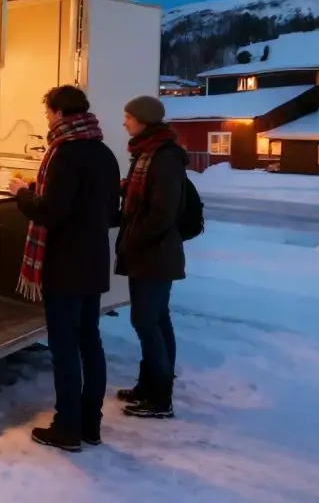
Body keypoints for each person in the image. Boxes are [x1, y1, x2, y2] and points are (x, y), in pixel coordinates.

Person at [14, 85, 121, 452]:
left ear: (59, 112)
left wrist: (21, 193)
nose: (46, 118)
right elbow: (110, 211)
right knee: (89, 341)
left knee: (64, 348)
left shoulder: (63, 154)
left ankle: (67, 428)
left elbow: (51, 212)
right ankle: (91, 425)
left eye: (47, 112)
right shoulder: (104, 151)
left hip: (64, 263)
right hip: (93, 262)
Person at [115, 95, 188, 420]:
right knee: (156, 319)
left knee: (146, 321)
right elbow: (143, 195)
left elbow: (162, 211)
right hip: (151, 252)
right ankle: (150, 385)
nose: (124, 123)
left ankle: (160, 398)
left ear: (143, 120)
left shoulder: (163, 157)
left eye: (128, 117)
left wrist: (133, 239)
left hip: (154, 254)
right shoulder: (147, 152)